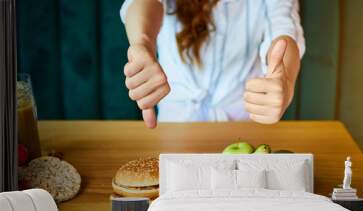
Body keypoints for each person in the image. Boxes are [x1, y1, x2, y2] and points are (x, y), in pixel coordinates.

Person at [121, 0, 305, 128]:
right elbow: (143, 3)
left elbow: (284, 26)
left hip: (244, 128)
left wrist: (285, 80)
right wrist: (143, 42)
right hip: (175, 126)